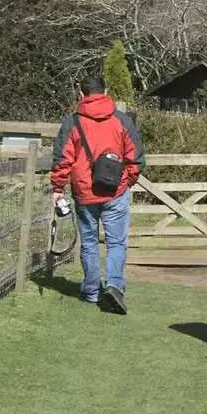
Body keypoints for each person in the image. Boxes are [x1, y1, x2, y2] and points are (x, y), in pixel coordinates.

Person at [51, 74, 144, 314]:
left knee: (89, 242)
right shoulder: (121, 120)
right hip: (115, 190)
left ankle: (91, 290)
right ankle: (113, 284)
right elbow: (135, 156)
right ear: (105, 90)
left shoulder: (72, 123)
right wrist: (128, 181)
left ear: (81, 94)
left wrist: (58, 188)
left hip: (84, 192)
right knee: (117, 243)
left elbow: (63, 159)